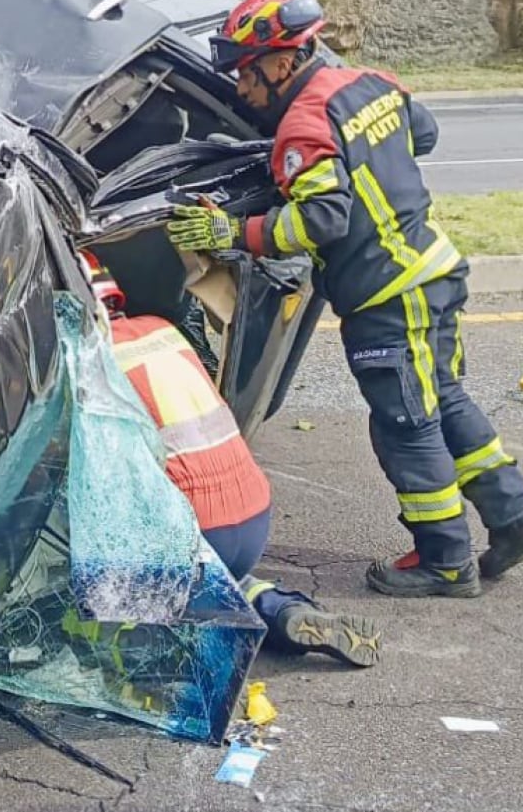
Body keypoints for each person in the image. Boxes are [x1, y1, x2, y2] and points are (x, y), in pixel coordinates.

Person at [166, 0, 523, 599]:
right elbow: (425, 135)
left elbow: (321, 220)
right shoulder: (374, 82)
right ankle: (512, 517)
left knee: (404, 423)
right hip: (435, 269)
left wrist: (235, 231)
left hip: (387, 294)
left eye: (248, 75)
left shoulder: (301, 130)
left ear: (282, 62)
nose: (244, 91)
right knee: (443, 397)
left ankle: (445, 560)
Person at [87, 254, 382, 666]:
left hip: (191, 528)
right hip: (250, 514)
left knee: (86, 567)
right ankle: (279, 608)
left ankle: (177, 648)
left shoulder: (87, 361)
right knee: (219, 575)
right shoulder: (162, 331)